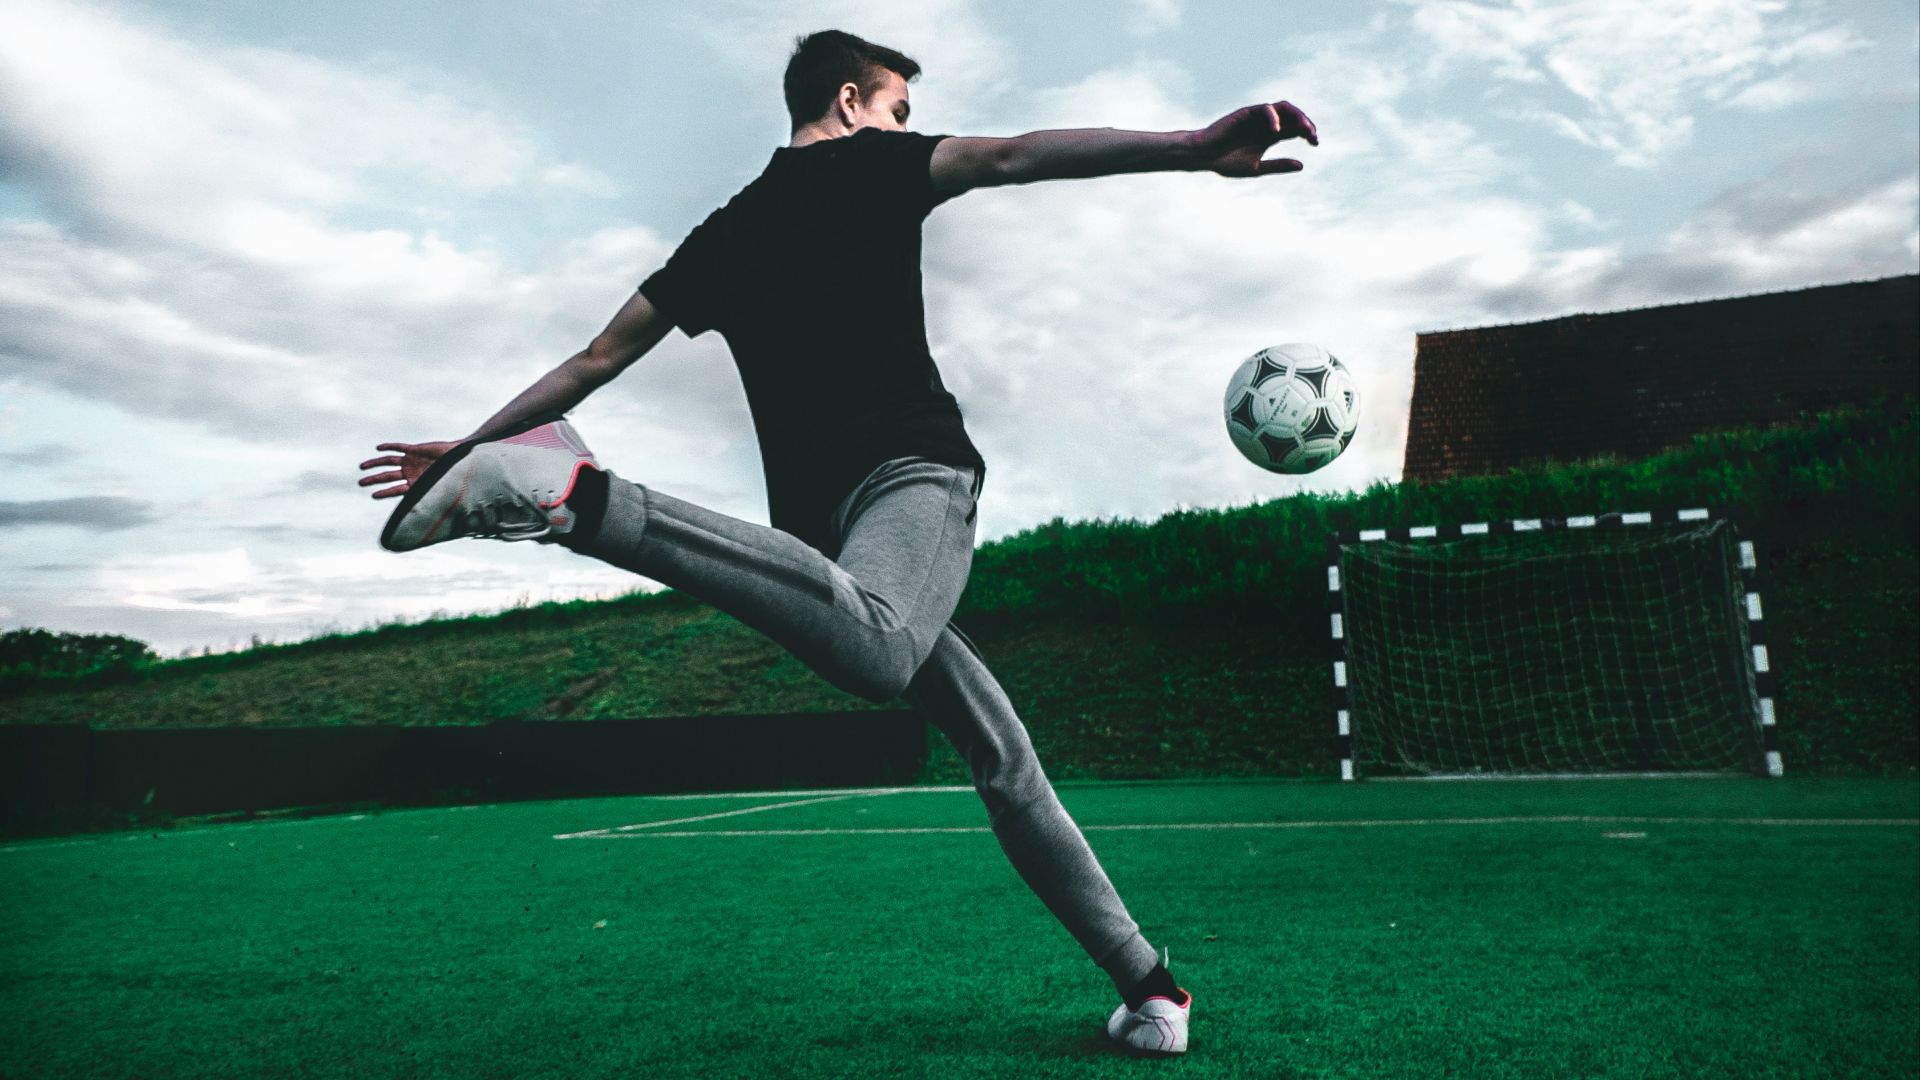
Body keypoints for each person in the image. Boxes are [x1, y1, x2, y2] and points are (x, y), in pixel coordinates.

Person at [358, 28, 1316, 1056]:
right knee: (878, 651)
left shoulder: (721, 236)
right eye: (901, 107)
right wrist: (1188, 145)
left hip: (830, 540)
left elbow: (592, 361)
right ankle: (589, 505)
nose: (910, 125)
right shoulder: (878, 163)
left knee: (1000, 753)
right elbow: (1013, 154)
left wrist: (469, 447)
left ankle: (1149, 984)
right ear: (854, 101)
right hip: (913, 478)